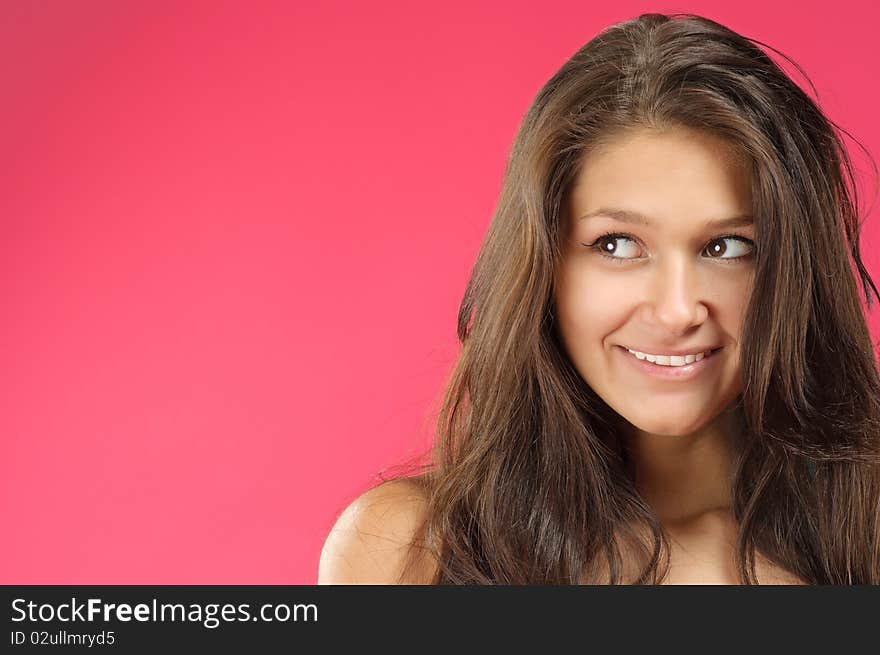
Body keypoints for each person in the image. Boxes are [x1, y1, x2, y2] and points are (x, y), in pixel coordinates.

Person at [318, 12, 880, 584]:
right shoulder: (407, 550)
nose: (678, 309)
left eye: (729, 246)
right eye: (617, 244)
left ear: (796, 270)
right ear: (544, 263)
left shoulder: (863, 542)